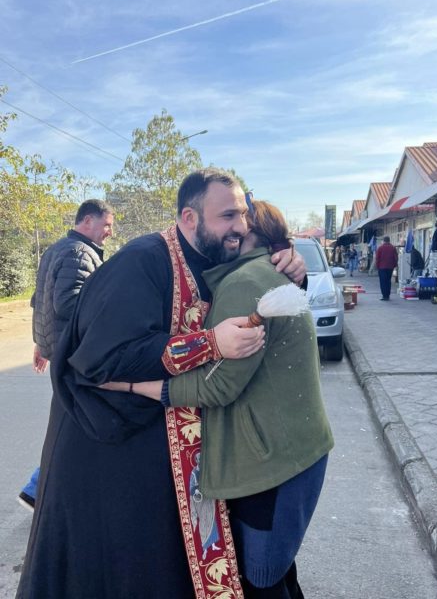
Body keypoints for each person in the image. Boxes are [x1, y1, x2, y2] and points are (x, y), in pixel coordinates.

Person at [16, 168, 307, 599]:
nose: (240, 226)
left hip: (175, 429)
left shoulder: (216, 252)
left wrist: (292, 265)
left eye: (242, 214)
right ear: (189, 218)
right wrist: (209, 343)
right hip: (111, 442)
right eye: (228, 216)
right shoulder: (142, 261)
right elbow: (106, 359)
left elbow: (263, 286)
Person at [102, 199, 334, 598]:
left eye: (238, 220)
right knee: (278, 572)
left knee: (262, 580)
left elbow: (217, 385)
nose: (232, 229)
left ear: (252, 233)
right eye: (228, 217)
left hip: (269, 467)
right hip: (291, 453)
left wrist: (132, 386)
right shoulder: (266, 273)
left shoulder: (244, 282)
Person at [18, 199, 114, 511]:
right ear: (87, 221)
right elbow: (68, 304)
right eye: (107, 225)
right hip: (74, 357)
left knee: (71, 423)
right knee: (77, 424)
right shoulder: (80, 253)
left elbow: (39, 300)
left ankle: (39, 488)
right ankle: (36, 488)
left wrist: (41, 344)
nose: (109, 232)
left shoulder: (56, 249)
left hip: (60, 353)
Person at [375, 235, 398, 301]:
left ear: (384, 241)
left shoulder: (380, 248)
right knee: (388, 281)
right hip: (390, 267)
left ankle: (384, 295)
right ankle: (388, 295)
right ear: (389, 240)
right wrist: (394, 265)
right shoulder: (393, 248)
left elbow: (377, 258)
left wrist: (377, 266)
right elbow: (396, 257)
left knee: (383, 282)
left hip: (382, 267)